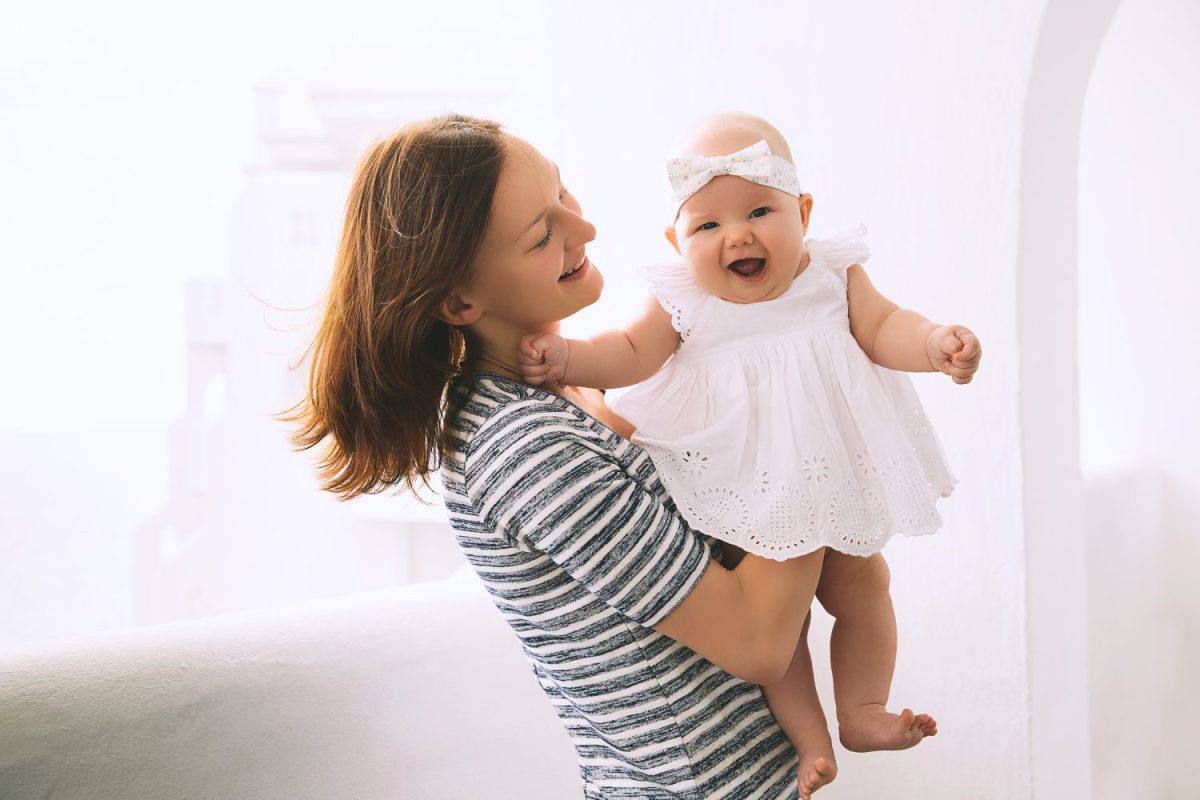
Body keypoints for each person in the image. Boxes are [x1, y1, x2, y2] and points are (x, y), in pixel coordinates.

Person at [283, 113, 829, 799]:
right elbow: (756, 641)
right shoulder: (523, 448)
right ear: (459, 299)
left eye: (563, 195)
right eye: (544, 234)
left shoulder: (563, 389)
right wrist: (824, 428)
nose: (585, 230)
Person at [517, 112, 981, 797]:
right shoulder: (681, 297)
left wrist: (934, 343)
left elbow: (885, 327)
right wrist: (570, 358)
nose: (735, 235)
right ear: (678, 241)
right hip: (745, 488)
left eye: (760, 210)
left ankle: (860, 711)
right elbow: (631, 352)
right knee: (780, 625)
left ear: (804, 212)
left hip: (829, 471)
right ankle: (810, 740)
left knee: (863, 588)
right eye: (706, 226)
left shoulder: (831, 273)